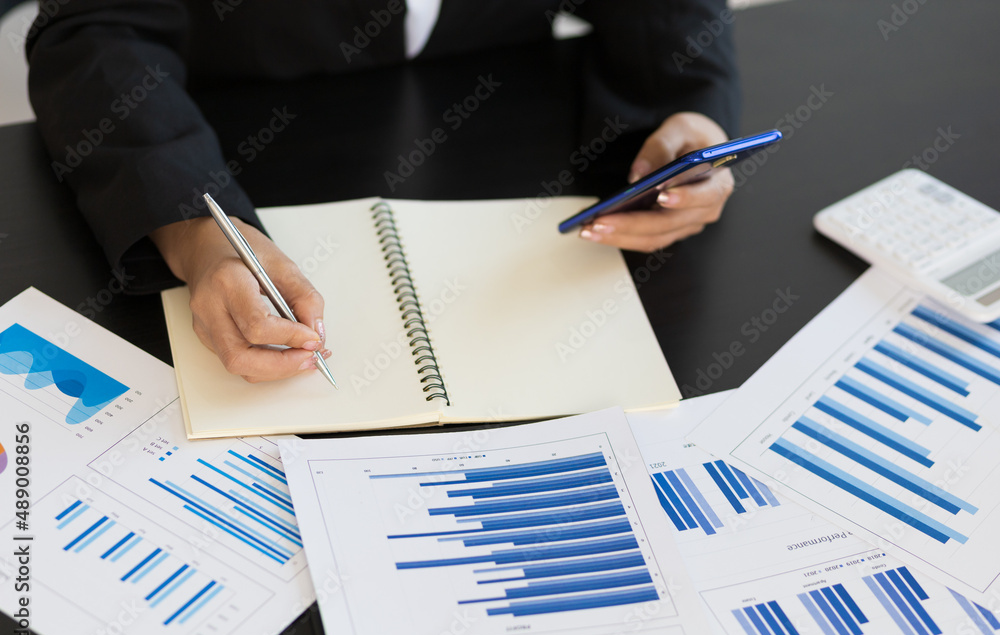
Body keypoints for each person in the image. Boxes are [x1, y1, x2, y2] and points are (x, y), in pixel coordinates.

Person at [26, 0, 739, 383]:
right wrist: (196, 230)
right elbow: (93, 31)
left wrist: (687, 112)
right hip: (232, 134)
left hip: (497, 144)